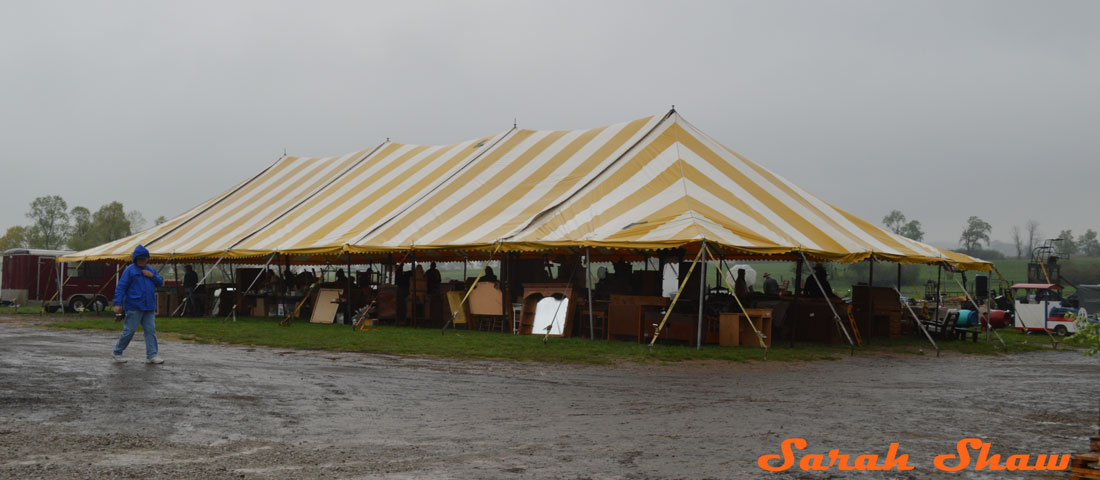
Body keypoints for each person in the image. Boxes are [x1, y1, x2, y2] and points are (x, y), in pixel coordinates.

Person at [112, 245, 165, 364]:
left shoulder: (151, 270)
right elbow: (121, 287)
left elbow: (160, 282)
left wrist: (152, 276)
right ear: (135, 259)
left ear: (147, 259)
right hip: (134, 306)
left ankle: (152, 355)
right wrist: (117, 303)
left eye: (144, 258)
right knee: (129, 331)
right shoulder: (129, 270)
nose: (142, 260)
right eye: (139, 258)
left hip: (149, 306)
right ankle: (117, 352)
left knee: (150, 331)